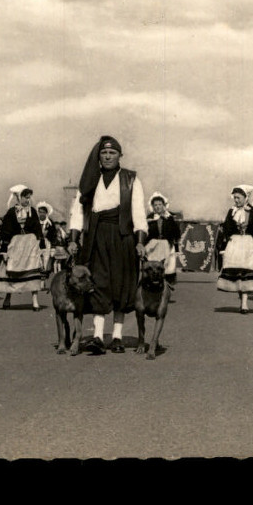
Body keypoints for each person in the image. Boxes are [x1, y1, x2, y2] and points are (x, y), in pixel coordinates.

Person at [67, 136, 148, 354]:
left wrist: (140, 242)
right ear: (98, 157)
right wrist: (74, 240)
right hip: (96, 237)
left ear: (120, 155)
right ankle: (97, 337)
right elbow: (78, 212)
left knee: (120, 285)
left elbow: (138, 212)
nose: (108, 156)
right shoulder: (90, 181)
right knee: (98, 282)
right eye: (104, 153)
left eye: (112, 153)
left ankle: (118, 337)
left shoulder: (131, 179)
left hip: (123, 237)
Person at [216, 185, 253, 314]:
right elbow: (226, 230)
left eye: (238, 198)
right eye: (235, 197)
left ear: (246, 197)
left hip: (249, 245)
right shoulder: (231, 211)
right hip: (235, 245)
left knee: (246, 274)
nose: (236, 200)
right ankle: (241, 298)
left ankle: (244, 303)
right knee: (237, 273)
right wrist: (224, 246)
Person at [0, 185, 45, 311]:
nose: (27, 200)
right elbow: (6, 231)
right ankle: (8, 297)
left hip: (30, 244)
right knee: (12, 271)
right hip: (16, 244)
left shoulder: (32, 211)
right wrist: (4, 250)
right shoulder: (11, 212)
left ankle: (35, 301)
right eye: (25, 197)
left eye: (29, 197)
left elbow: (38, 229)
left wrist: (41, 246)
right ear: (18, 197)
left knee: (32, 269)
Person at [144, 192, 181, 287]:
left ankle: (166, 287)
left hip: (166, 244)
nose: (158, 207)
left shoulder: (169, 218)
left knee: (167, 265)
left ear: (164, 205)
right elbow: (145, 233)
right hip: (153, 246)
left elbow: (176, 233)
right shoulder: (149, 219)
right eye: (155, 205)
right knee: (154, 266)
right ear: (152, 206)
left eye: (160, 204)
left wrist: (174, 244)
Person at [36, 201, 59, 278]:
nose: (41, 214)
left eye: (43, 212)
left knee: (46, 259)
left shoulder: (50, 223)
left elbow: (54, 236)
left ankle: (44, 279)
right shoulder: (35, 222)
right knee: (37, 259)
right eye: (40, 212)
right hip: (37, 243)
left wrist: (53, 247)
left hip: (47, 243)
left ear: (46, 213)